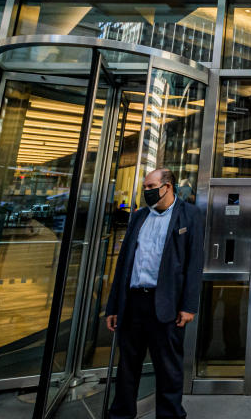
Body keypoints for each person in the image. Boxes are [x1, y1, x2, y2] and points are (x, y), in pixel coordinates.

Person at [104, 168, 204, 419]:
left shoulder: (189, 215)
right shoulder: (138, 217)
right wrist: (114, 306)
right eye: (145, 187)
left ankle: (169, 415)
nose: (146, 191)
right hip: (134, 303)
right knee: (127, 366)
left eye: (151, 187)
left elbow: (194, 263)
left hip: (166, 303)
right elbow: (124, 263)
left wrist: (189, 306)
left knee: (168, 368)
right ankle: (121, 415)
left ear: (167, 187)